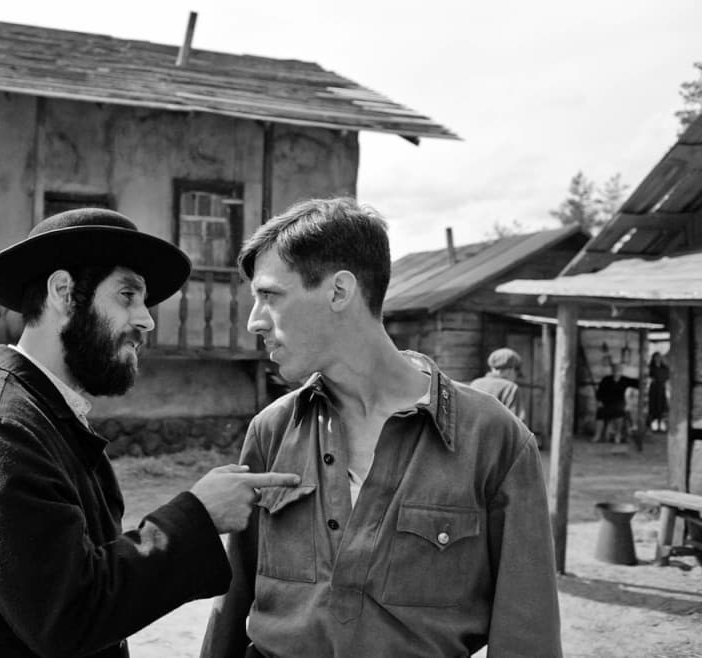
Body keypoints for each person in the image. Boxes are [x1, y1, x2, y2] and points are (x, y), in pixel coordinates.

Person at [0, 208, 300, 656]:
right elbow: (71, 614)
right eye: (127, 296)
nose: (146, 320)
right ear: (63, 292)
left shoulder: (40, 411)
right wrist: (199, 515)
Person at [201, 197, 561, 657]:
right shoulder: (271, 431)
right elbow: (232, 608)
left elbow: (527, 637)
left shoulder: (493, 439)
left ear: (338, 292)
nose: (254, 320)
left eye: (269, 295)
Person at [469, 347, 527, 425]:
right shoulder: (511, 388)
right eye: (517, 373)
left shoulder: (475, 384)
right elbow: (517, 424)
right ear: (511, 370)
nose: (516, 377)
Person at [593, 360, 640, 444]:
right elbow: (599, 392)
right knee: (600, 412)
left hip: (619, 402)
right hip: (606, 403)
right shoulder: (606, 379)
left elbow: (637, 383)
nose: (616, 371)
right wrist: (599, 401)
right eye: (615, 369)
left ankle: (617, 435)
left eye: (618, 369)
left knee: (620, 412)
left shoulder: (624, 379)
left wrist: (644, 379)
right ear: (612, 370)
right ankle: (597, 435)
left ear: (621, 371)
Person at [647, 351, 669, 432]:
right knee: (653, 407)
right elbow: (648, 377)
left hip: (661, 389)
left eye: (659, 357)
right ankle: (651, 426)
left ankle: (660, 426)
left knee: (661, 407)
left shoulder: (664, 368)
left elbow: (666, 376)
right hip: (653, 390)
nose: (657, 358)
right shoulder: (651, 367)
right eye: (656, 357)